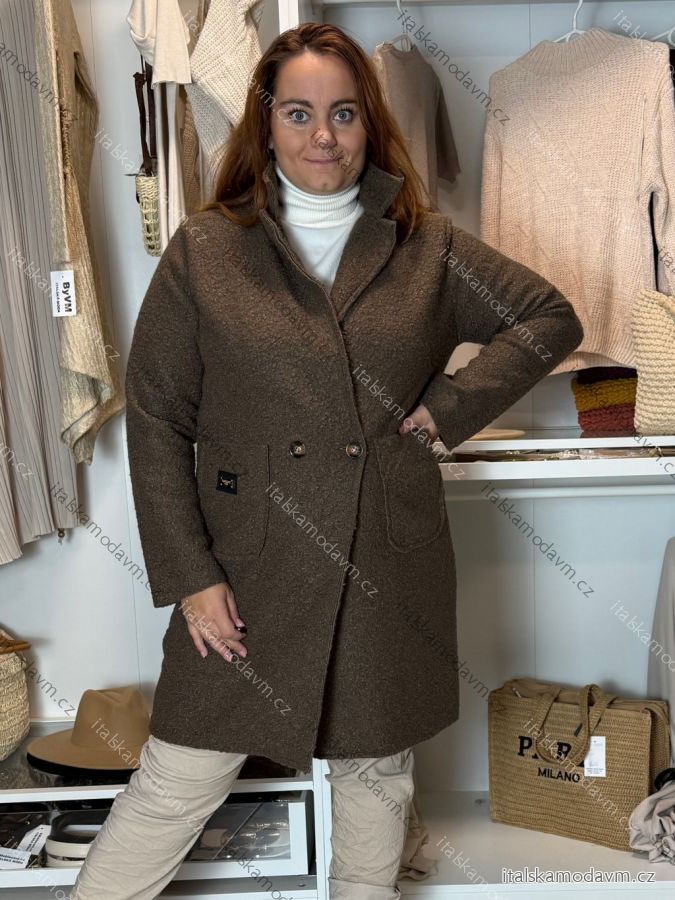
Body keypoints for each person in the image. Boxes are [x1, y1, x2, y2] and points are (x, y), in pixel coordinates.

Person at [71, 21, 584, 900]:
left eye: (343, 113)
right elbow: (156, 420)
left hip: (379, 554)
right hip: (245, 563)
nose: (322, 136)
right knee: (180, 775)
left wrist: (446, 409)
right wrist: (192, 578)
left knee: (374, 776)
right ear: (265, 125)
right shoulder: (207, 249)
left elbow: (548, 318)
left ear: (368, 123)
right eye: (298, 113)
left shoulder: (426, 248)